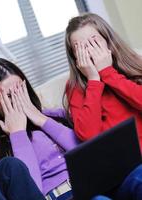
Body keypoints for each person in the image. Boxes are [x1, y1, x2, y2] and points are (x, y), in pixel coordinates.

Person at [0, 58, 81, 200]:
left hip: (93, 181)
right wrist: (18, 133)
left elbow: (89, 154)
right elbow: (30, 190)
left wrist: (41, 119)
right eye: (8, 96)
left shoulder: (53, 115)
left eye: (20, 89)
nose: (17, 99)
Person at [63, 13, 142, 199]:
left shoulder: (135, 63)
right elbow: (88, 135)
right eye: (80, 47)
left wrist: (108, 72)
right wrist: (93, 80)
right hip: (121, 176)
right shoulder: (76, 88)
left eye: (94, 42)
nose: (89, 50)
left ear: (108, 41)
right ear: (75, 57)